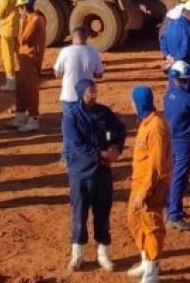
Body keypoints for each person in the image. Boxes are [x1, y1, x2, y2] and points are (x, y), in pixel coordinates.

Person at [62, 78, 125, 273]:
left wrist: (116, 149)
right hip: (80, 174)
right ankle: (77, 254)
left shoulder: (104, 112)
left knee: (103, 213)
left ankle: (103, 254)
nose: (94, 94)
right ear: (82, 93)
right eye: (91, 91)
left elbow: (120, 129)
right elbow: (76, 146)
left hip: (102, 173)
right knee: (79, 214)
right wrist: (100, 155)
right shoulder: (71, 117)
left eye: (95, 90)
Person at [127, 85, 170, 282]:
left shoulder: (156, 127)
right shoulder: (145, 122)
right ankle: (145, 260)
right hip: (140, 183)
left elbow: (156, 164)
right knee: (135, 220)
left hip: (151, 186)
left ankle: (152, 271)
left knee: (152, 225)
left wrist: (146, 190)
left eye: (133, 101)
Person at [53, 26, 105, 166]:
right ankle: (88, 155)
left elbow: (57, 73)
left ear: (72, 37)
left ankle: (67, 157)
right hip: (87, 97)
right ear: (86, 37)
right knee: (88, 125)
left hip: (69, 96)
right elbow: (99, 74)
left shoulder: (65, 51)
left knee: (69, 128)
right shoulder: (93, 52)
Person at [162, 60, 190, 231]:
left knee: (171, 175)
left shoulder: (167, 95)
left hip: (170, 140)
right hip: (184, 141)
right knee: (179, 177)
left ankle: (170, 208)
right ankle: (174, 215)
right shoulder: (188, 98)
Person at [7, 0, 45, 133]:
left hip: (31, 58)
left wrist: (22, 22)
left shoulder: (34, 20)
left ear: (23, 7)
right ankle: (20, 116)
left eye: (19, 8)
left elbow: (24, 39)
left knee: (30, 90)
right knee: (22, 88)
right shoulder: (32, 18)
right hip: (24, 58)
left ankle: (33, 119)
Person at [159, 0, 190, 104]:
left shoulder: (171, 24)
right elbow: (185, 49)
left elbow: (162, 39)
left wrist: (167, 56)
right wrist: (175, 59)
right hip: (186, 69)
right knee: (187, 95)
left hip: (172, 67)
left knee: (173, 92)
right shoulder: (188, 29)